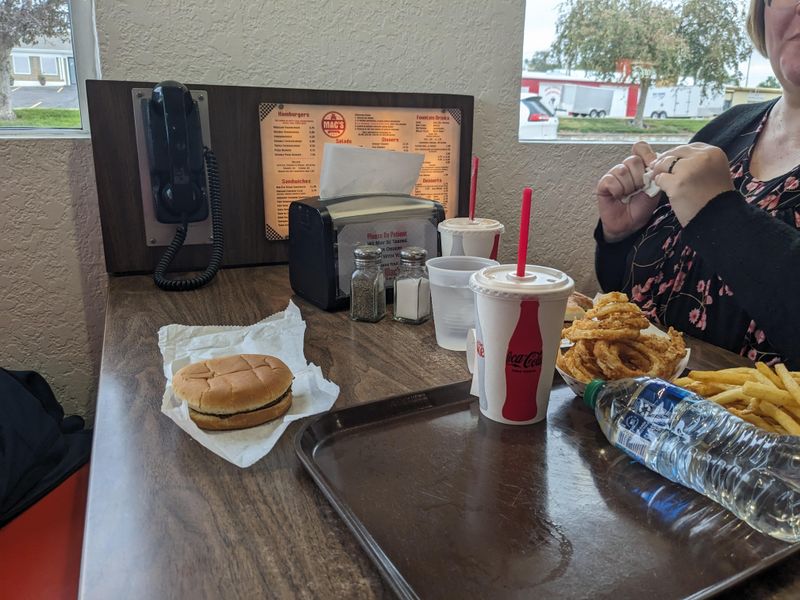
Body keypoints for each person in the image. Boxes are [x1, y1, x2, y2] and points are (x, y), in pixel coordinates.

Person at [594, 0, 800, 367]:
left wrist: (721, 217)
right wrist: (621, 237)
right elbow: (635, 299)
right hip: (630, 413)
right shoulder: (726, 129)